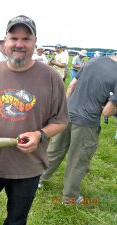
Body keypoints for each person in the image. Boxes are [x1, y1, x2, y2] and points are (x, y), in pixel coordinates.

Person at [0, 15, 69, 224]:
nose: (19, 44)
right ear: (5, 41)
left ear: (35, 42)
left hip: (28, 167)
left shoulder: (52, 78)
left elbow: (61, 120)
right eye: (14, 38)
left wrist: (40, 134)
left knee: (17, 220)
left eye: (26, 38)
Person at [39, 56, 117, 204]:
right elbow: (107, 112)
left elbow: (71, 85)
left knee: (54, 150)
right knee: (78, 160)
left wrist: (65, 109)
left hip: (67, 114)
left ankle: (38, 180)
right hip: (87, 122)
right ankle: (70, 197)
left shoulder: (95, 60)